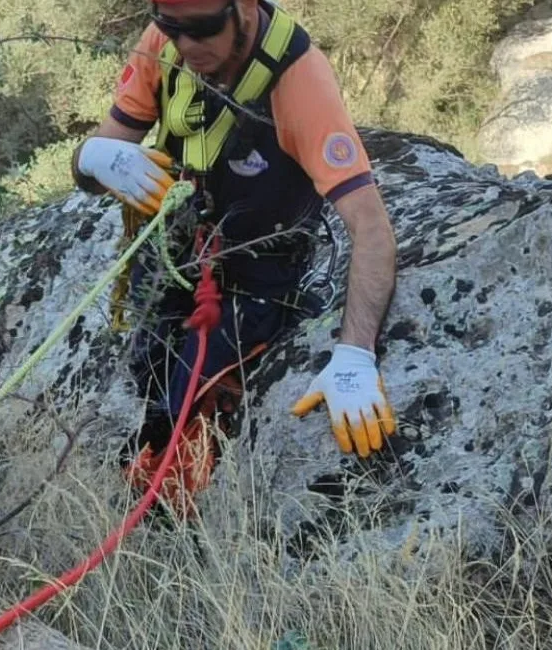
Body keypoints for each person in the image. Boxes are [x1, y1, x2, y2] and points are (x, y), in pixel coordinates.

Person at [70, 0, 400, 518]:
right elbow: (96, 159)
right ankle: (148, 470)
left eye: (201, 31)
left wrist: (355, 353)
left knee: (190, 412)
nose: (187, 47)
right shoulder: (166, 45)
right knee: (150, 384)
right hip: (171, 255)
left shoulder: (299, 81)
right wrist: (93, 158)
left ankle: (168, 522)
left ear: (243, 8)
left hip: (257, 276)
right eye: (172, 29)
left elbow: (372, 227)